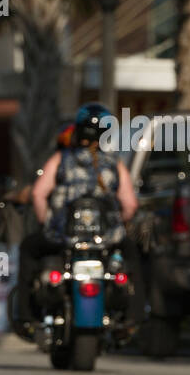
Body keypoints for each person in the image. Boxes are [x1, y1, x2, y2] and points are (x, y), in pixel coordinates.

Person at [14, 103, 146, 325]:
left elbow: (38, 194)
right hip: (106, 239)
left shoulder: (61, 159)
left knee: (28, 248)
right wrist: (116, 225)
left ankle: (27, 314)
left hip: (62, 237)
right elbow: (130, 204)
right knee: (133, 256)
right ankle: (135, 314)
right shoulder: (114, 163)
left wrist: (46, 222)